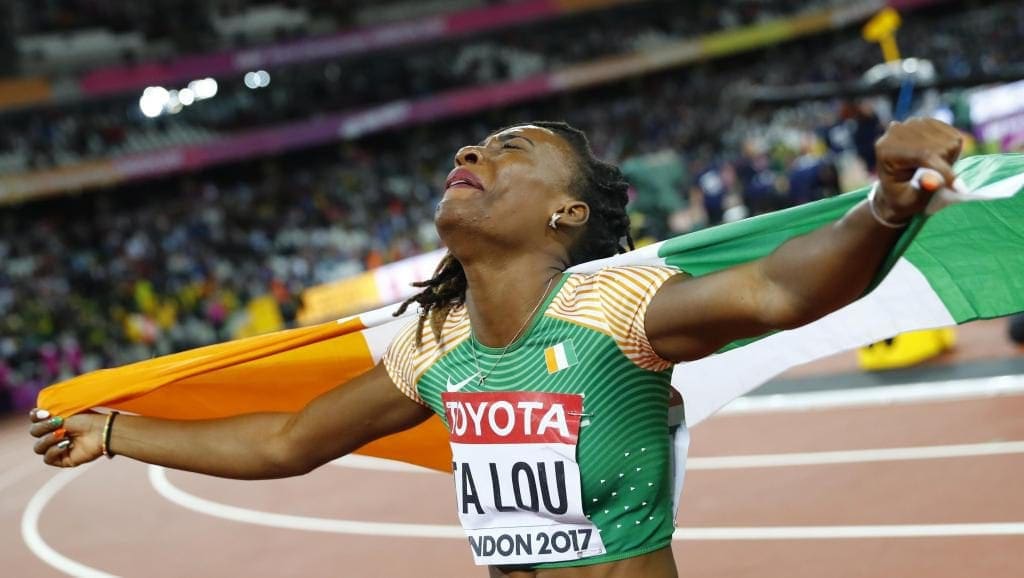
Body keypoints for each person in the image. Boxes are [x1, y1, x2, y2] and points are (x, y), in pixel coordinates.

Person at [30, 118, 963, 577]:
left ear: (569, 212)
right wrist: (113, 433)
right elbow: (286, 441)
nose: (472, 155)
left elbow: (780, 289)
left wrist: (884, 206)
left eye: (509, 148)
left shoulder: (616, 306)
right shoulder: (435, 345)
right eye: (472, 148)